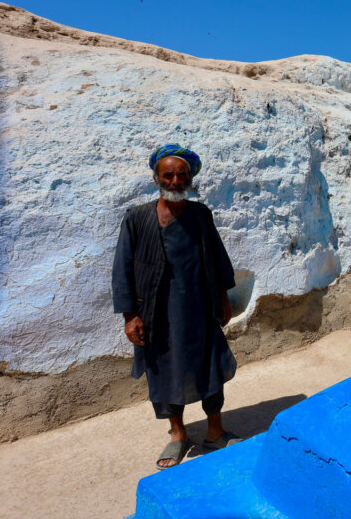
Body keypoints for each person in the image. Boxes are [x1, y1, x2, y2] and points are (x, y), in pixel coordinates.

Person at [112, 144, 241, 469]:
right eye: (167, 174)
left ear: (189, 178)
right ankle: (178, 435)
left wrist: (224, 297)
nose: (174, 180)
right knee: (166, 376)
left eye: (181, 175)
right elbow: (122, 269)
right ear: (156, 177)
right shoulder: (137, 218)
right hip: (158, 316)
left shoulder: (200, 215)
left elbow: (216, 257)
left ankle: (215, 432)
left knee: (209, 369)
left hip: (200, 311)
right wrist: (130, 316)